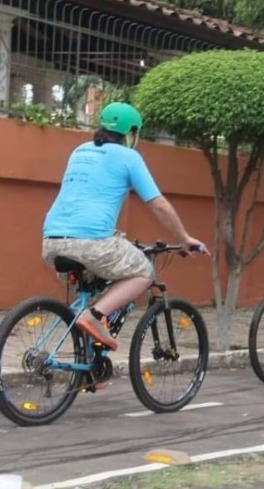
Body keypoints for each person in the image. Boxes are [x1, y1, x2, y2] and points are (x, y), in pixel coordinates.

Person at [42, 101, 209, 352]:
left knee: (98, 292)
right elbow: (159, 205)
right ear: (132, 133)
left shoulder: (80, 151)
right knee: (143, 272)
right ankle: (95, 316)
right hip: (92, 243)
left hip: (51, 242)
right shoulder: (129, 157)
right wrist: (184, 237)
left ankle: (89, 368)